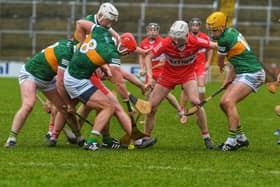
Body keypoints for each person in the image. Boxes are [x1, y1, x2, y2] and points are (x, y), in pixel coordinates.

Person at [143, 20, 218, 149]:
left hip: (187, 76)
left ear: (186, 35)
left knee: (196, 102)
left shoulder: (195, 41)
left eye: (180, 39)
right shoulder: (166, 42)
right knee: (152, 106)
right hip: (168, 76)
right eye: (174, 39)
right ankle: (146, 138)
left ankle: (207, 137)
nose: (176, 42)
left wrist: (233, 48)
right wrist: (150, 78)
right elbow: (148, 56)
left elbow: (215, 46)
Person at [4, 39, 81, 148]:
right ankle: (11, 139)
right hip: (30, 74)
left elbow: (58, 77)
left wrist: (54, 101)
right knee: (28, 105)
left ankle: (79, 138)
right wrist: (69, 103)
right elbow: (60, 82)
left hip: (48, 80)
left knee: (64, 109)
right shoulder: (67, 53)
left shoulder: (75, 49)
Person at [206, 11, 265, 151]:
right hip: (242, 73)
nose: (212, 34)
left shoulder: (224, 40)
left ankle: (232, 141)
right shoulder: (231, 32)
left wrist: (221, 67)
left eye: (214, 30)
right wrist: (228, 79)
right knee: (223, 103)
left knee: (229, 102)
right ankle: (241, 138)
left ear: (221, 27)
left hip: (252, 73)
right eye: (210, 30)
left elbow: (220, 61)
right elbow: (233, 60)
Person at [139, 22, 183, 123]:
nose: (153, 32)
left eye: (155, 30)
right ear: (147, 32)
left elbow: (168, 55)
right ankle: (147, 118)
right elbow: (142, 57)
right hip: (150, 72)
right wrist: (142, 68)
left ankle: (180, 110)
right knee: (148, 94)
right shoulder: (143, 43)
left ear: (158, 31)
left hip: (161, 72)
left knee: (167, 95)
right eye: (150, 30)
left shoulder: (162, 41)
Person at [179, 17, 214, 123]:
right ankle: (182, 111)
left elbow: (211, 49)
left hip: (200, 66)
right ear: (190, 27)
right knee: (185, 90)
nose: (195, 27)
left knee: (202, 88)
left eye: (197, 25)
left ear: (199, 26)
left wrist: (208, 62)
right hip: (189, 65)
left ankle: (199, 108)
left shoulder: (204, 37)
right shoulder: (186, 37)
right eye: (193, 25)